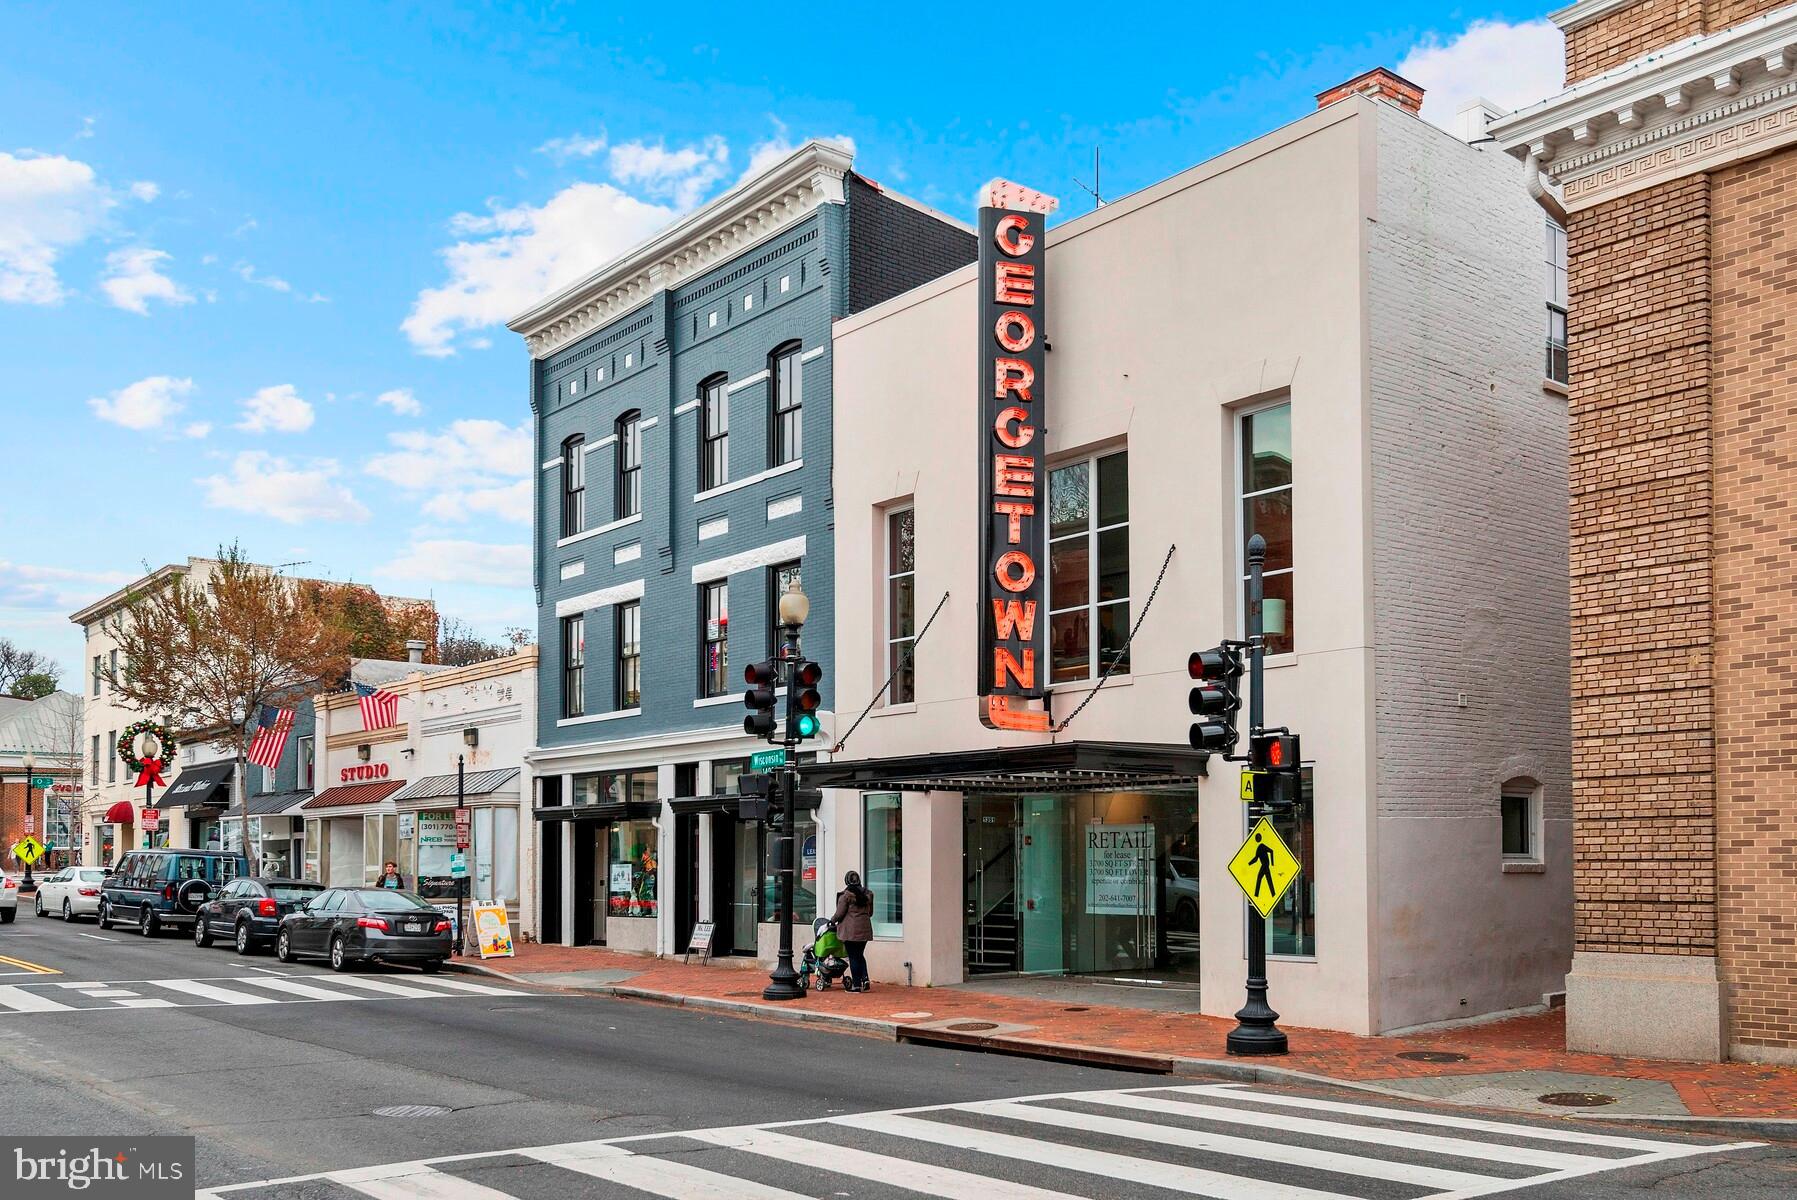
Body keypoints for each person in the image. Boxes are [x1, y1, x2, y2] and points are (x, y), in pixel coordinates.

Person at [831, 870, 875, 993]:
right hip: (865, 930)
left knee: (853, 957)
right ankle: (865, 979)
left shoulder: (845, 896)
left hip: (850, 932)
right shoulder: (868, 895)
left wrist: (831, 921)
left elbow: (839, 914)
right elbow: (870, 913)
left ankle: (856, 986)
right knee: (859, 955)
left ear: (847, 881)